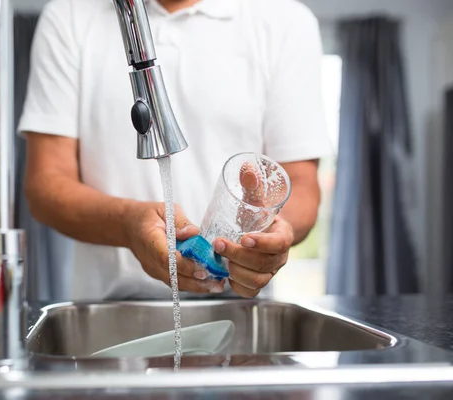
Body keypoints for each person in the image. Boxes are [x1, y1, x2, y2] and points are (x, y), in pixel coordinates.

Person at [19, 0, 333, 301]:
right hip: (109, 307)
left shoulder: (284, 22)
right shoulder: (69, 18)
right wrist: (128, 225)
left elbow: (301, 187)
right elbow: (46, 185)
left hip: (240, 305)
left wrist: (268, 234)